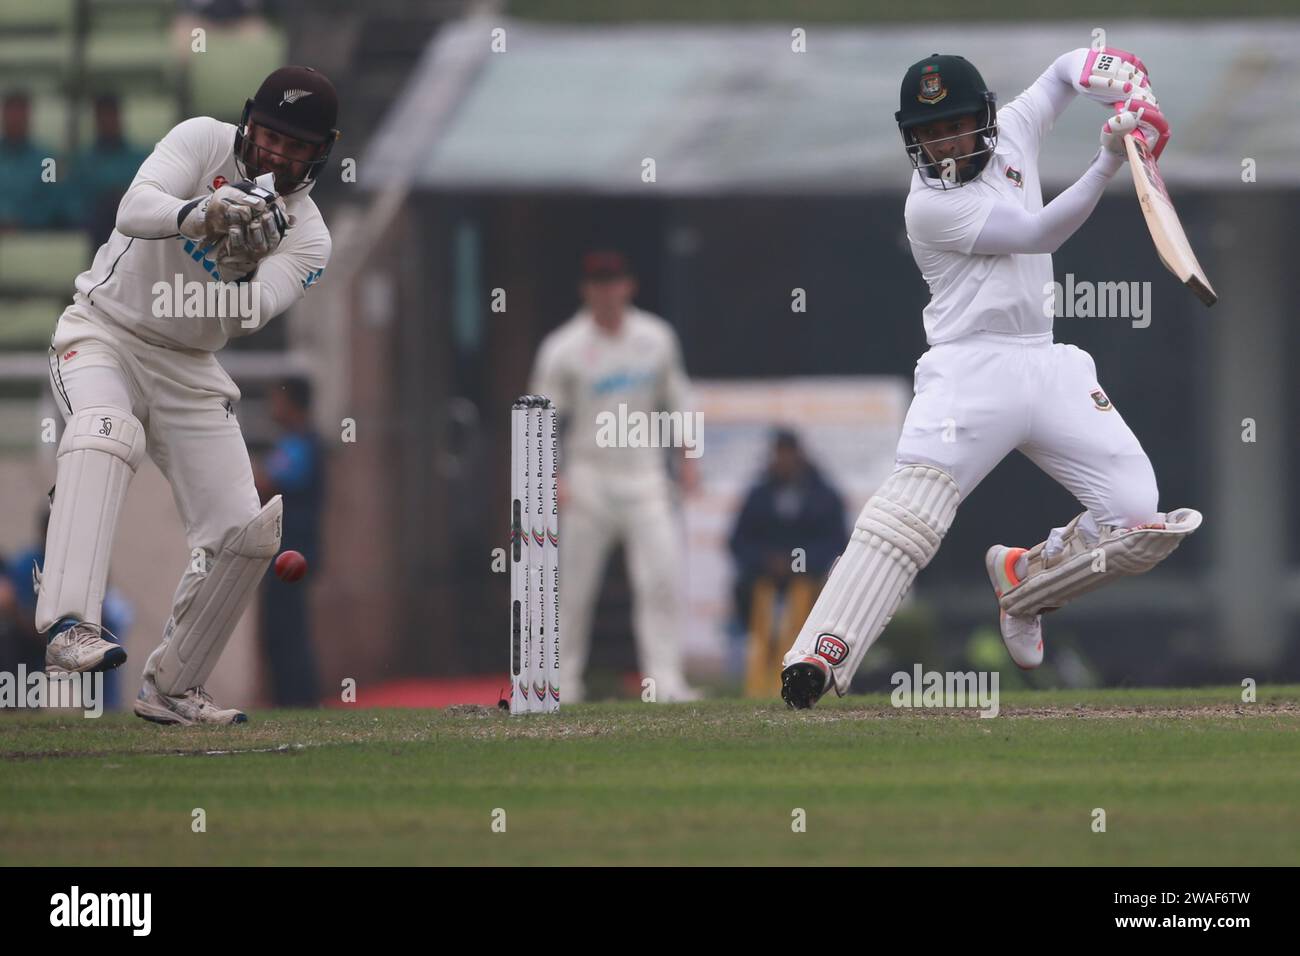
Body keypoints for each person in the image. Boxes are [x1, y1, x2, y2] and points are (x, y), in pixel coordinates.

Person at [780, 49, 1201, 709]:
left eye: (953, 126)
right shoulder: (928, 207)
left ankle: (1023, 582)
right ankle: (818, 653)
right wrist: (1111, 160)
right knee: (908, 517)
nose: (943, 143)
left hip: (1047, 360)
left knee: (1140, 520)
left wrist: (1123, 87)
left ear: (981, 116)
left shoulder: (1015, 127)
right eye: (927, 133)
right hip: (968, 371)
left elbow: (1067, 68)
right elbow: (1036, 234)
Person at [34, 65, 339, 725]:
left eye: (295, 146)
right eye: (270, 135)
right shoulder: (200, 141)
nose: (276, 153)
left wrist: (239, 261)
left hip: (190, 366)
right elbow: (134, 208)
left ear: (320, 155)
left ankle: (173, 686)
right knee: (107, 429)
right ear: (249, 122)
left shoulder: (309, 236)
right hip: (105, 331)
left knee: (246, 532)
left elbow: (253, 310)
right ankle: (68, 621)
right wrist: (197, 213)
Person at [530, 251, 701, 703]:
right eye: (597, 283)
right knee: (574, 585)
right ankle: (562, 682)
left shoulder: (655, 338)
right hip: (588, 477)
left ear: (629, 286)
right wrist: (551, 478)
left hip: (645, 477)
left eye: (614, 282)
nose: (606, 291)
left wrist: (689, 456)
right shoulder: (563, 347)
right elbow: (542, 419)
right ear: (586, 290)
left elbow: (678, 399)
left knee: (661, 576)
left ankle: (664, 681)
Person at [729, 429, 846, 696]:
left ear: (799, 455)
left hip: (808, 580)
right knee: (759, 614)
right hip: (762, 582)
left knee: (803, 615)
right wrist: (766, 561)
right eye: (779, 454)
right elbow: (738, 540)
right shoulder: (759, 494)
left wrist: (799, 563)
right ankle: (758, 685)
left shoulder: (822, 494)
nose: (784, 460)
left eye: (788, 454)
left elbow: (835, 542)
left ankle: (804, 680)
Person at [254, 377, 324, 707]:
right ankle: (286, 698)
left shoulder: (303, 444)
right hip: (284, 549)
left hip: (293, 551)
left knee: (287, 630)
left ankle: (298, 700)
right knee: (279, 630)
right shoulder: (291, 443)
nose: (273, 409)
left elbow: (269, 483)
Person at [70, 94, 151, 248]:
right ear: (95, 119)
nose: (107, 120)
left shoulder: (141, 160)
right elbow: (74, 206)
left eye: (111, 114)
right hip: (95, 234)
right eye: (102, 115)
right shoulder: (81, 163)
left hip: (134, 232)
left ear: (119, 117)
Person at [0, 90, 66, 230]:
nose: (15, 119)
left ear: (28, 117)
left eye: (20, 113)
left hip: (35, 237)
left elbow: (54, 201)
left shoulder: (49, 161)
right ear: (4, 115)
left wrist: (22, 222)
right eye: (11, 113)